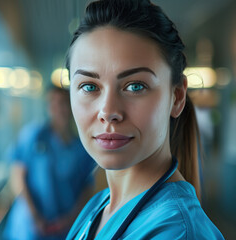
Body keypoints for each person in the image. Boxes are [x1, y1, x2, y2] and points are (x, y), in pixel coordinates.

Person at [65, 0, 225, 239]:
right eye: (89, 86)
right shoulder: (98, 206)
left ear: (177, 96)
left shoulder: (177, 232)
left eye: (135, 86)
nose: (108, 111)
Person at [3, 86, 96, 240]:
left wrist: (73, 218)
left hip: (63, 227)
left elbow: (87, 187)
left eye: (62, 102)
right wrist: (34, 216)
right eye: (52, 102)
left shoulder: (81, 147)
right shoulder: (34, 136)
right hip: (29, 226)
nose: (57, 108)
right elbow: (17, 177)